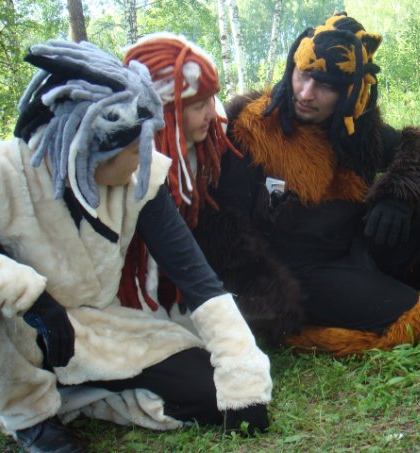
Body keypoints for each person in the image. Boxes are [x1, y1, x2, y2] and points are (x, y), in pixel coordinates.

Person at [0, 40, 271, 453]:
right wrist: (29, 296)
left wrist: (244, 380)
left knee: (209, 392)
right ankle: (30, 418)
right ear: (90, 151)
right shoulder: (7, 172)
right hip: (18, 335)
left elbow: (197, 279)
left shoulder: (141, 177)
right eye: (132, 150)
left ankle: (76, 398)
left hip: (97, 329)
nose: (143, 157)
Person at [195, 12, 420, 356]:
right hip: (288, 273)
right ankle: (297, 332)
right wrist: (270, 294)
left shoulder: (358, 128)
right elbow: (223, 224)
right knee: (414, 318)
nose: (306, 93)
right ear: (292, 67)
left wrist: (399, 196)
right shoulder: (252, 127)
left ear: (349, 92)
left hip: (349, 252)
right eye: (303, 75)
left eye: (327, 85)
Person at [119, 33, 304, 345]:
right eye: (198, 105)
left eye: (211, 100)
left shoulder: (212, 137)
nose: (212, 113)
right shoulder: (127, 162)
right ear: (166, 111)